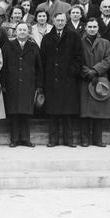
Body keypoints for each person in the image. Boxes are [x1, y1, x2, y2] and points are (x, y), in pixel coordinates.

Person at [41, 13, 83, 147]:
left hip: (68, 80)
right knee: (53, 112)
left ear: (66, 21)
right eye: (58, 20)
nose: (60, 23)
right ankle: (53, 140)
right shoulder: (47, 38)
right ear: (53, 21)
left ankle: (68, 140)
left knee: (67, 112)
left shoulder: (74, 36)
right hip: (52, 80)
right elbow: (43, 59)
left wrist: (72, 72)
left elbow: (79, 57)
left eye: (62, 20)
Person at [1, 23, 43, 147]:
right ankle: (14, 139)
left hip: (28, 84)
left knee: (26, 113)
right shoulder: (8, 46)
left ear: (28, 32)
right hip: (12, 84)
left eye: (25, 30)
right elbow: (3, 67)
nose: (22, 32)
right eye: (20, 29)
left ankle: (25, 139)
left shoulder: (33, 46)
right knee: (14, 113)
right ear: (16, 31)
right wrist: (3, 84)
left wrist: (39, 85)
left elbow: (39, 67)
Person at [79, 18, 110, 147]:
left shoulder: (105, 43)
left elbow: (108, 59)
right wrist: (86, 71)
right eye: (90, 27)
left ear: (98, 28)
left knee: (99, 111)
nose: (92, 29)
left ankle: (98, 139)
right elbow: (77, 58)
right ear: (85, 28)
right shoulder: (79, 42)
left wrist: (95, 70)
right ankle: (84, 139)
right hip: (84, 80)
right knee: (85, 111)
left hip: (100, 79)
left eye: (94, 27)